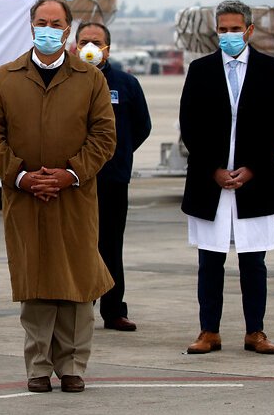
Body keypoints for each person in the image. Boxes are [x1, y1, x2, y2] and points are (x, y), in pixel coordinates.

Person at [0, 0, 116, 394]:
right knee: (35, 284)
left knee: (77, 284)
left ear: (68, 29)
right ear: (30, 24)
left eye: (56, 24)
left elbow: (104, 137)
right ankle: (38, 366)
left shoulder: (91, 79)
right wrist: (21, 177)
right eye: (42, 22)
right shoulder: (5, 77)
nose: (49, 30)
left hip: (74, 199)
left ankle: (73, 365)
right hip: (25, 199)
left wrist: (70, 174)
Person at [179, 0, 274, 355]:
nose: (228, 35)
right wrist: (213, 168)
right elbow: (190, 124)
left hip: (254, 181)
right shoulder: (200, 70)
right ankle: (208, 331)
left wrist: (252, 167)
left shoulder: (270, 70)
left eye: (234, 29)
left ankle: (254, 332)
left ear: (249, 30)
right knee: (209, 261)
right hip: (210, 181)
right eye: (222, 29)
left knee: (253, 261)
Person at [76, 22, 152, 332]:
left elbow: (142, 126)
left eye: (96, 41)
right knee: (79, 244)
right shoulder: (68, 80)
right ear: (74, 45)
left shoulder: (126, 83)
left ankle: (113, 309)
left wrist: (118, 155)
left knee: (110, 245)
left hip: (113, 179)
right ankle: (80, 307)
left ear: (108, 47)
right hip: (75, 178)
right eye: (84, 41)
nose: (90, 47)